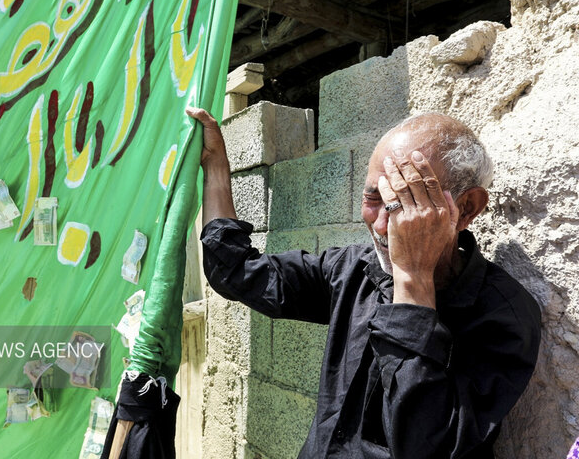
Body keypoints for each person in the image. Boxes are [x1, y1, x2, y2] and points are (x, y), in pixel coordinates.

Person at [186, 107, 542, 459]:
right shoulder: (353, 269)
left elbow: (426, 445)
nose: (383, 225)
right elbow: (234, 272)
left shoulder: (503, 315)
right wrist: (215, 166)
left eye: (407, 204)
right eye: (375, 199)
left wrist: (413, 280)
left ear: (465, 209)